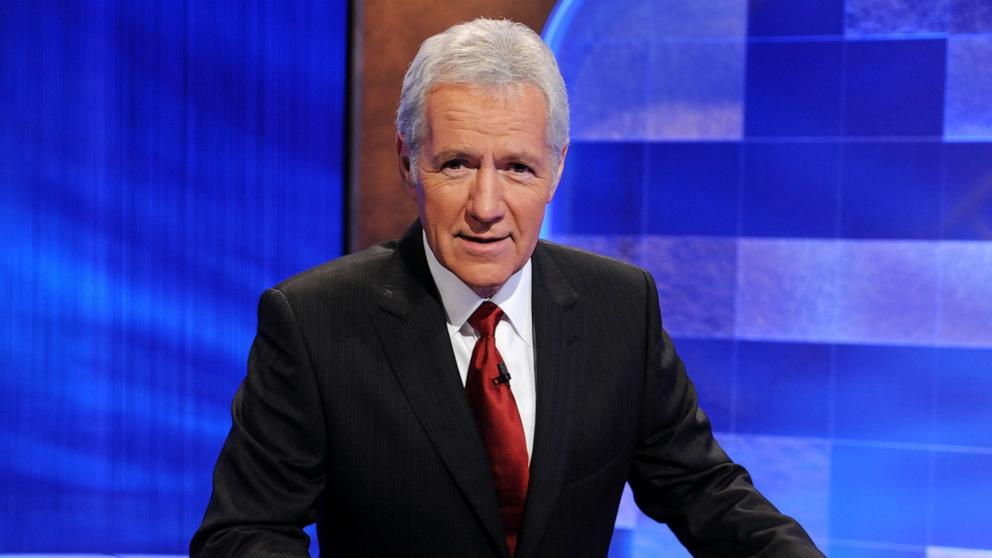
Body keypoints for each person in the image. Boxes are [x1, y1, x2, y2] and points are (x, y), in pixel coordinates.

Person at [191, 18, 824, 558]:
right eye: (457, 164)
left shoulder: (621, 307)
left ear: (557, 170)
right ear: (408, 161)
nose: (487, 205)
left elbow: (704, 491)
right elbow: (245, 532)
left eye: (517, 167)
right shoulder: (314, 321)